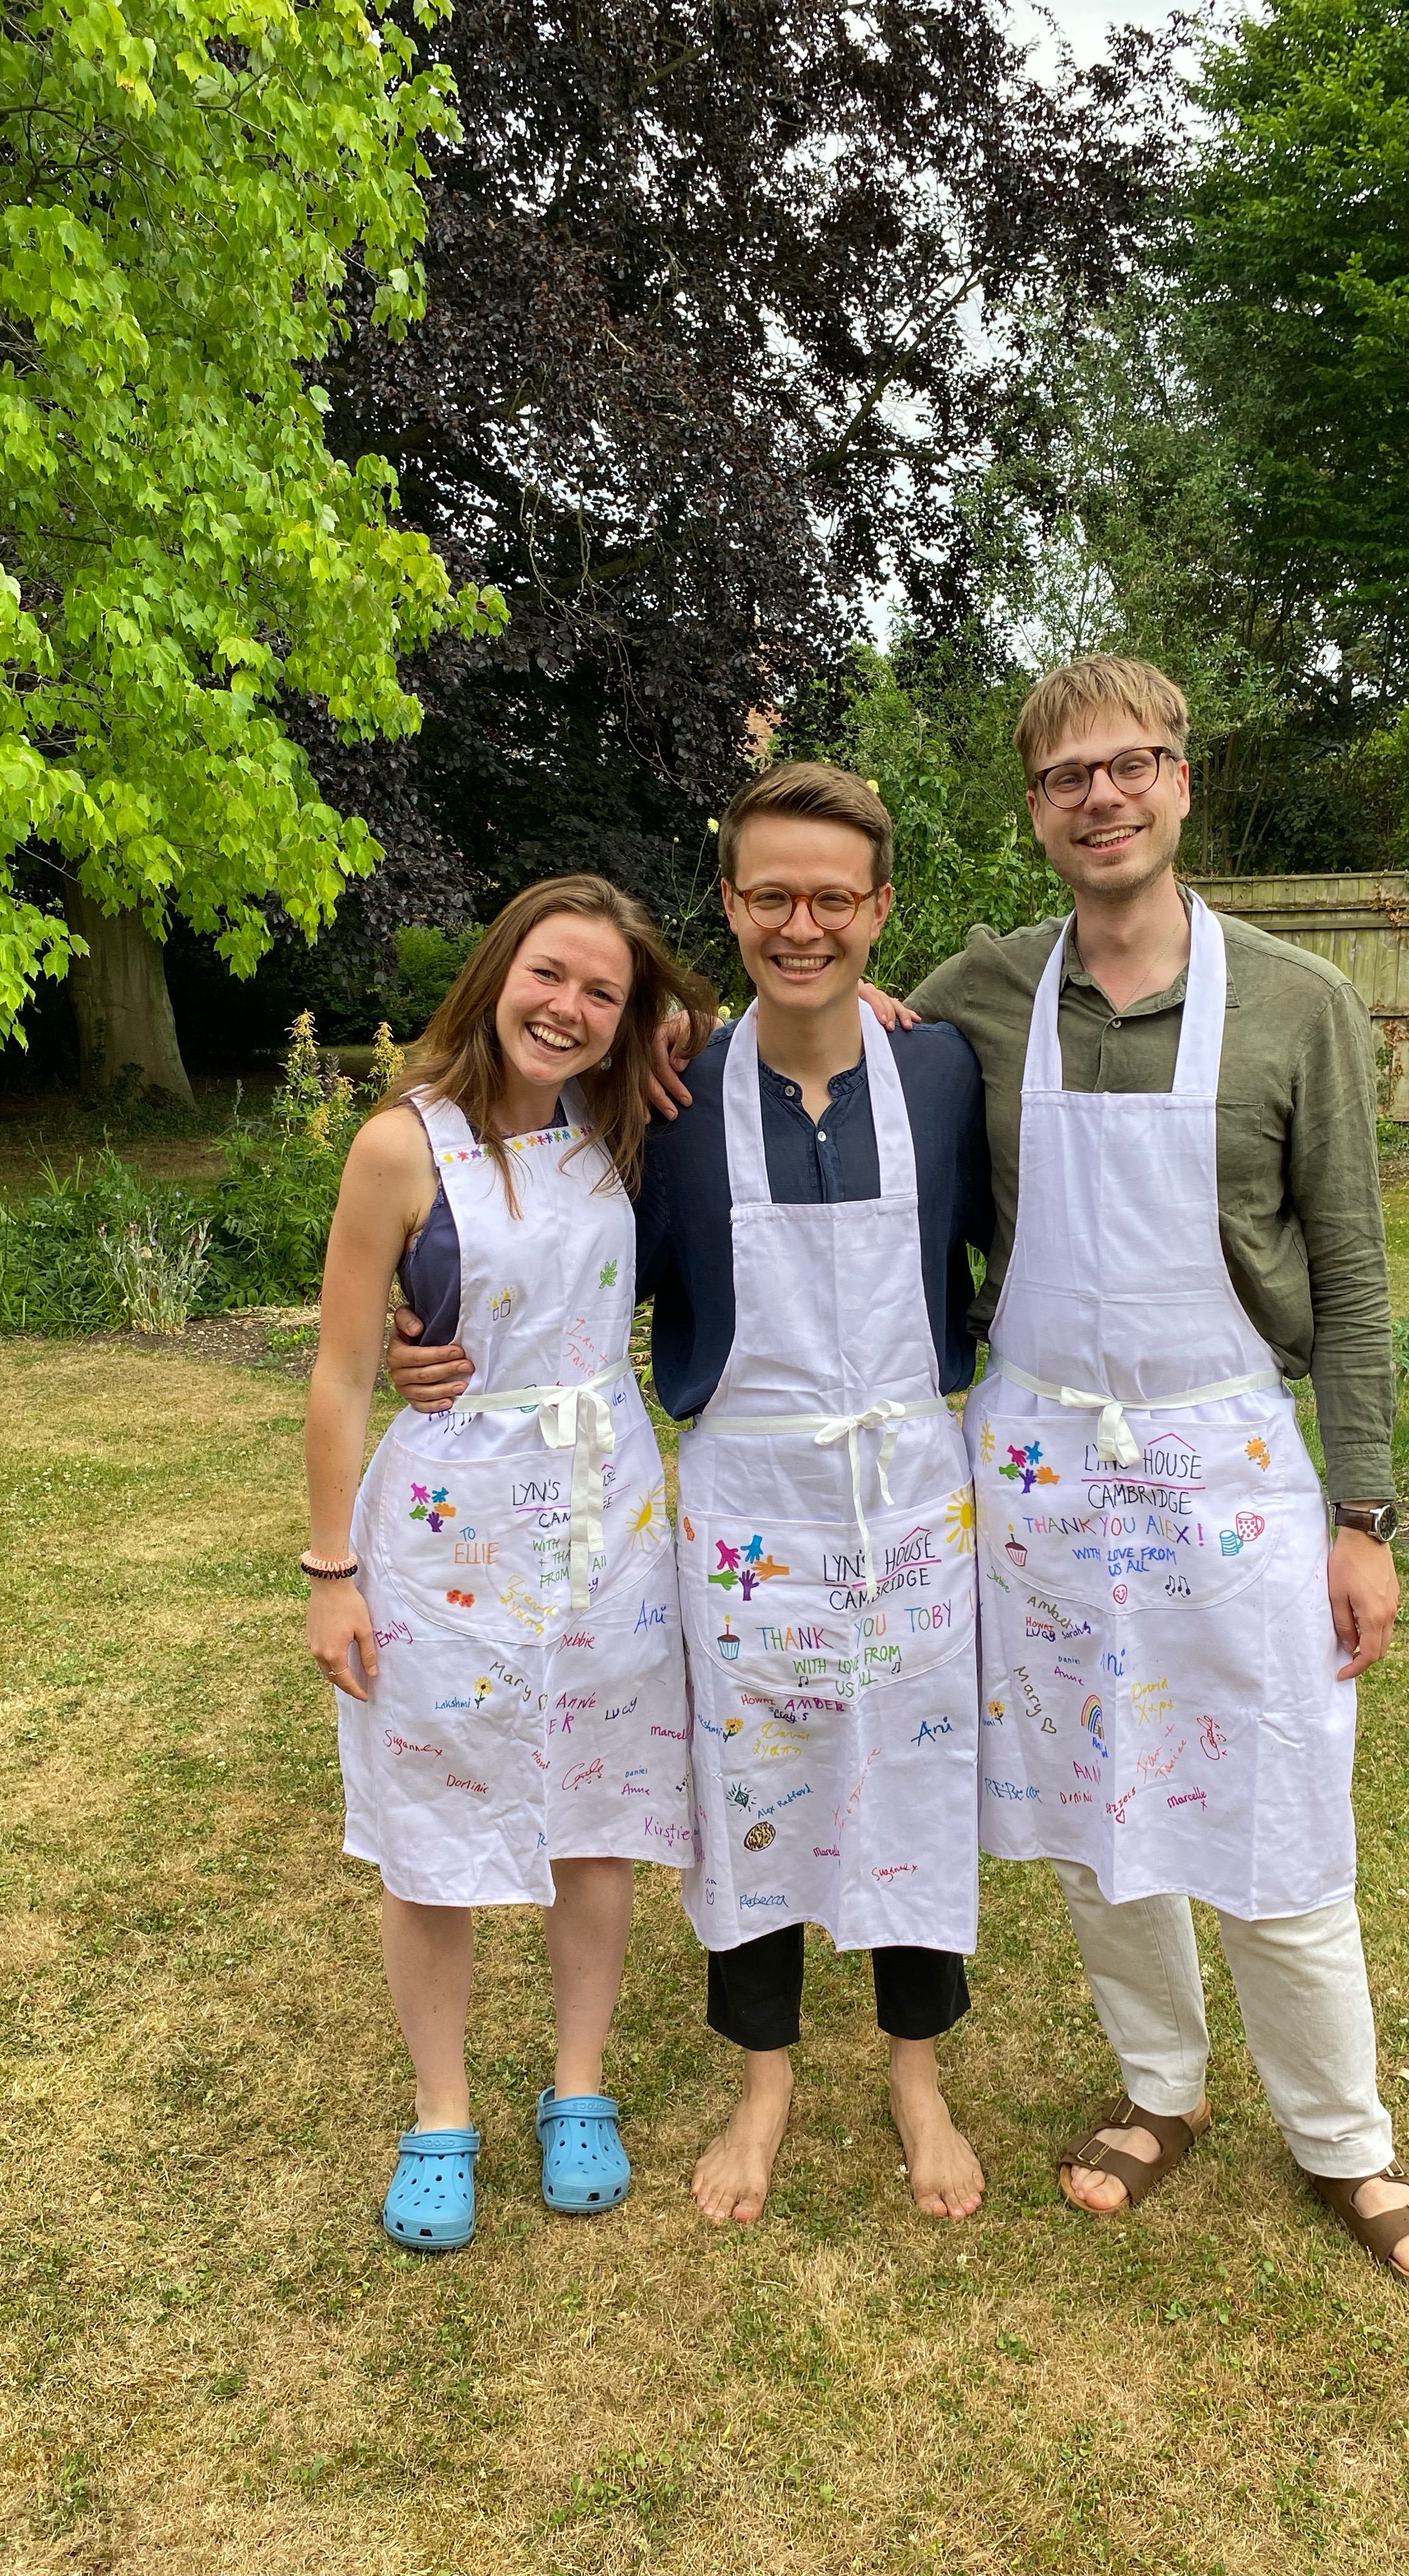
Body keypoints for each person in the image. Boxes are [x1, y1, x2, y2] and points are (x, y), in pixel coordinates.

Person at [870, 654, 1409, 2294]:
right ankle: (1162, 2089)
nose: (1102, 798)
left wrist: (1364, 1514)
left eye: (1130, 766)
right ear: (1036, 808)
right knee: (1087, 1806)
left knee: (1276, 1802)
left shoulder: (1295, 1002)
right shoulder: (979, 995)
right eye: (1067, 777)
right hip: (1046, 1474)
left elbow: (1350, 1274)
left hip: (1230, 1465)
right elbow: (854, 1109)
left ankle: (1345, 2138)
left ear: (1183, 783)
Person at [388, 765, 996, 2227]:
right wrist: (429, 1336)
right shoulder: (666, 1086)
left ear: (879, 911)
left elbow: (991, 1242)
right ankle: (764, 2081)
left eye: (834, 898)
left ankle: (919, 2077)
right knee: (754, 1780)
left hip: (911, 1488)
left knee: (915, 1771)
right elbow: (558, 1251)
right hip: (745, 1491)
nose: (804, 923)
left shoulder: (943, 1070)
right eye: (771, 894)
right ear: (727, 904)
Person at [303, 875, 713, 2249]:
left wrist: (688, 1020)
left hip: (608, 1518)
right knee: (435, 1831)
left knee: (595, 1813)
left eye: (603, 992)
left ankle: (578, 2089)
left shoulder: (623, 1126)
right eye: (551, 975)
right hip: (444, 1535)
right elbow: (341, 1374)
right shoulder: (400, 1146)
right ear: (498, 973)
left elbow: (781, 1013)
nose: (570, 1008)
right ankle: (440, 2113)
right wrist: (329, 1571)